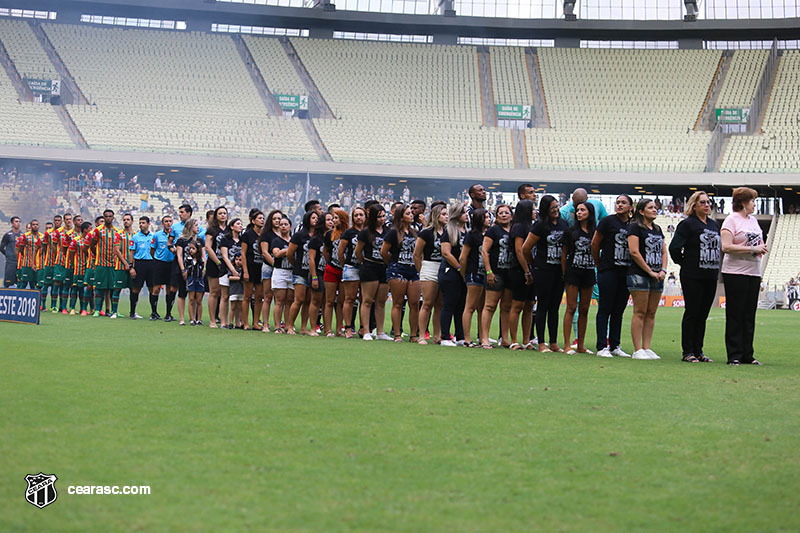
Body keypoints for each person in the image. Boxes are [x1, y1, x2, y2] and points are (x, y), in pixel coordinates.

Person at [669, 191, 721, 363]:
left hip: (710, 274)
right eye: (702, 202)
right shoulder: (687, 224)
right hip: (692, 275)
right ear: (694, 205)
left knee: (703, 314)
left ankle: (699, 350)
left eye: (708, 202)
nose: (707, 205)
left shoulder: (713, 224)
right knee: (692, 312)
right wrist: (684, 262)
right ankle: (688, 351)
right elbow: (674, 248)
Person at [720, 187, 767, 366]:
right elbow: (726, 246)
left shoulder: (753, 221)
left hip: (753, 271)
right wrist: (752, 249)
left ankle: (748, 354)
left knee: (749, 314)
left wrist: (760, 248)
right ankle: (734, 354)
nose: (754, 204)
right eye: (752, 201)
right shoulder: (731, 220)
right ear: (743, 202)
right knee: (735, 314)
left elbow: (758, 242)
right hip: (735, 272)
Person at [523, 196, 569, 352]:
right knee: (543, 305)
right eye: (552, 208)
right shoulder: (540, 225)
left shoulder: (564, 224)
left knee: (555, 307)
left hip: (559, 271)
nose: (556, 210)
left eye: (557, 206)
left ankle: (553, 342)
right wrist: (534, 264)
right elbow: (526, 248)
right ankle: (541, 342)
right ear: (545, 210)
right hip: (543, 270)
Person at [591, 194, 634, 358]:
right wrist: (598, 263)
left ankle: (615, 345)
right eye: (617, 202)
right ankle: (602, 346)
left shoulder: (633, 224)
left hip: (626, 271)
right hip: (608, 269)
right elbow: (595, 243)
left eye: (623, 203)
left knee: (619, 310)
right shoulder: (607, 221)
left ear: (631, 207)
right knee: (605, 308)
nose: (619, 205)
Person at [627, 198, 667, 360]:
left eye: (655, 207)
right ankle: (637, 349)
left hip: (657, 275)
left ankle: (647, 347)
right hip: (639, 274)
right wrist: (649, 271)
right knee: (640, 311)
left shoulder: (657, 229)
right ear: (641, 211)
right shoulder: (635, 227)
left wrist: (663, 269)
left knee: (651, 312)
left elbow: (664, 251)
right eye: (650, 207)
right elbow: (634, 251)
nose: (655, 210)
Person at [381, 203, 421, 343]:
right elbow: (384, 251)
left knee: (414, 303)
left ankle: (414, 335)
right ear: (401, 217)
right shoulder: (393, 232)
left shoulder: (414, 232)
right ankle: (397, 334)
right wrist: (393, 264)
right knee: (398, 303)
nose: (411, 215)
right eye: (408, 213)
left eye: (411, 213)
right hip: (398, 270)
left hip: (413, 270)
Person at [561, 202, 596, 354]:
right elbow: (564, 254)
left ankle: (581, 345)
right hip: (573, 272)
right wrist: (565, 273)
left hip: (589, 271)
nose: (579, 213)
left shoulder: (595, 232)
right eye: (578, 210)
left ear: (590, 213)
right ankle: (567, 345)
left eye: (583, 210)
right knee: (571, 307)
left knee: (585, 309)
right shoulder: (571, 232)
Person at [355, 204, 392, 341]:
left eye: (383, 216)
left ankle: (380, 331)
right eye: (379, 217)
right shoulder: (366, 232)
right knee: (367, 300)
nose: (382, 219)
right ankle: (366, 331)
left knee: (381, 301)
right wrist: (364, 263)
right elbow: (358, 251)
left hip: (384, 267)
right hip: (370, 267)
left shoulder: (388, 231)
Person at [481, 205, 515, 349]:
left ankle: (505, 338)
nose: (504, 215)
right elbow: (484, 251)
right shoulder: (493, 231)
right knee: (490, 306)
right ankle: (484, 338)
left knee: (506, 307)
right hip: (496, 273)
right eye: (500, 213)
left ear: (511, 216)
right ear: (496, 216)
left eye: (506, 213)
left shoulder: (514, 230)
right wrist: (489, 271)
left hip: (510, 273)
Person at [414, 203, 446, 345]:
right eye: (443, 214)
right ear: (436, 216)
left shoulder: (448, 232)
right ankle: (422, 335)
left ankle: (437, 335)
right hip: (429, 266)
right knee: (427, 303)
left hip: (443, 267)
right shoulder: (426, 232)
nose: (446, 217)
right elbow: (416, 254)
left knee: (440, 304)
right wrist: (421, 270)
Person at [508, 200, 536, 351]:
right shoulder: (519, 227)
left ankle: (526, 340)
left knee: (529, 305)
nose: (535, 212)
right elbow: (519, 250)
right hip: (519, 270)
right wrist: (526, 270)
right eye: (532, 209)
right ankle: (513, 340)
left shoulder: (531, 226)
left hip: (530, 268)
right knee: (517, 304)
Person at [439, 203, 468, 347]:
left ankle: (460, 336)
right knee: (449, 304)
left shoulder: (467, 231)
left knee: (461, 305)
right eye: (463, 212)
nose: (466, 215)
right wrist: (459, 267)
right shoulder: (449, 230)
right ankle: (445, 336)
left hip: (464, 273)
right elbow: (446, 253)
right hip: (450, 271)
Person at [461, 208, 489, 347]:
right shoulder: (471, 235)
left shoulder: (489, 234)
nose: (489, 219)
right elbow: (463, 257)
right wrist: (464, 274)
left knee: (482, 308)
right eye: (486, 217)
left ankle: (483, 337)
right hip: (474, 272)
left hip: (486, 274)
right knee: (470, 306)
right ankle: (467, 339)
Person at [287, 211, 318, 335]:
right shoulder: (299, 235)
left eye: (317, 218)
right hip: (300, 272)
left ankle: (304, 327)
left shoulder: (318, 236)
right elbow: (290, 253)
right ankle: (290, 326)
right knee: (299, 299)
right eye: (313, 217)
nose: (315, 219)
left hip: (313, 272)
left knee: (308, 301)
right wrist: (295, 264)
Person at [88, 210, 122, 318]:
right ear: (104, 217)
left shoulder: (117, 232)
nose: (108, 218)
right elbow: (92, 245)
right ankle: (97, 310)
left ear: (113, 218)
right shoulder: (98, 230)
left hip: (113, 264)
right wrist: (98, 255)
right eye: (106, 216)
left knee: (112, 288)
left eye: (110, 216)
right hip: (100, 264)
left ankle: (112, 311)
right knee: (99, 287)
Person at [338, 206, 365, 339]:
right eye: (356, 215)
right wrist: (345, 265)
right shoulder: (348, 233)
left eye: (361, 215)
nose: (359, 217)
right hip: (351, 267)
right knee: (349, 298)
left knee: (364, 300)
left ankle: (363, 328)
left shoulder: (369, 232)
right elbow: (340, 252)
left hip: (366, 268)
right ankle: (348, 328)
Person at [323, 209, 349, 337]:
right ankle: (327, 330)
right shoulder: (329, 234)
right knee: (329, 301)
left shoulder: (349, 234)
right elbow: (325, 251)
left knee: (341, 301)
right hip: (332, 269)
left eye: (336, 218)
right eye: (333, 218)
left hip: (345, 270)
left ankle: (339, 329)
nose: (333, 220)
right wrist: (331, 262)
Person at [149, 215, 179, 321]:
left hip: (172, 264)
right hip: (159, 264)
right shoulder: (157, 235)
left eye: (170, 221)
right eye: (166, 221)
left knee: (170, 289)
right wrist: (157, 259)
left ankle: (168, 314)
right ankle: (154, 313)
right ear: (162, 223)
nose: (168, 223)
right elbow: (152, 250)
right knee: (156, 288)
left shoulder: (175, 235)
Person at [307, 212, 332, 336]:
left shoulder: (332, 238)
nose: (331, 222)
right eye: (328, 220)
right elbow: (311, 259)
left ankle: (328, 330)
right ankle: (312, 328)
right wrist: (314, 277)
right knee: (316, 301)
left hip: (329, 273)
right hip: (318, 273)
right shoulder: (316, 239)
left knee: (328, 302)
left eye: (332, 220)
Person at [259, 209, 283, 332]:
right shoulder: (266, 234)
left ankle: (279, 324)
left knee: (280, 298)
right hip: (269, 267)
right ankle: (265, 324)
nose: (277, 221)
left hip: (282, 269)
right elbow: (264, 252)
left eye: (279, 218)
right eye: (275, 218)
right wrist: (275, 264)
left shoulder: (285, 234)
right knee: (267, 296)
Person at [204, 207, 228, 328]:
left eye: (224, 213)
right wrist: (218, 262)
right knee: (214, 292)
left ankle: (224, 320)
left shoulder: (229, 229)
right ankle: (212, 320)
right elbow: (208, 247)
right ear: (216, 216)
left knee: (225, 294)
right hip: (214, 263)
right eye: (220, 213)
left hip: (227, 263)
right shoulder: (212, 230)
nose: (223, 215)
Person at [241, 210, 265, 330]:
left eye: (263, 218)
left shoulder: (264, 235)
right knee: (247, 296)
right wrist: (245, 271)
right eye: (259, 218)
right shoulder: (247, 234)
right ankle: (245, 323)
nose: (262, 220)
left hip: (261, 268)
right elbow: (243, 253)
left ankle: (256, 322)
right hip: (250, 267)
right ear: (253, 221)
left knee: (259, 297)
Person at [269, 217, 293, 333]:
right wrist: (289, 250)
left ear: (290, 227)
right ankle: (277, 326)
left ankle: (288, 326)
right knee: (279, 301)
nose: (283, 226)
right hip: (280, 271)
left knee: (289, 301)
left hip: (292, 272)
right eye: (281, 224)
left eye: (285, 224)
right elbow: (277, 254)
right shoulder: (276, 241)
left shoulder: (293, 240)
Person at [175, 219, 201, 326]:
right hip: (185, 269)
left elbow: (202, 255)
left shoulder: (199, 240)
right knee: (182, 293)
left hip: (196, 271)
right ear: (190, 227)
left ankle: (193, 318)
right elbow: (179, 255)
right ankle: (181, 318)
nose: (198, 227)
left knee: (194, 295)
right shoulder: (181, 240)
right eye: (196, 225)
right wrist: (183, 269)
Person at [219, 218, 244, 329]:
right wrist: (233, 271)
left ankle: (237, 322)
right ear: (232, 226)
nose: (240, 225)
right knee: (225, 297)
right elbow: (225, 256)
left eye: (241, 224)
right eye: (238, 224)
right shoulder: (225, 239)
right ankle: (223, 322)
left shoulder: (242, 240)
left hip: (240, 271)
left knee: (238, 299)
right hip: (226, 271)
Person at [130, 216, 154, 319]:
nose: (141, 225)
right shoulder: (135, 237)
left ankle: (154, 312)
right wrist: (131, 267)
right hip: (140, 264)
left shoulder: (153, 236)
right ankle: (132, 312)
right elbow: (131, 252)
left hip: (151, 263)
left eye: (143, 223)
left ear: (148, 224)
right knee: (136, 288)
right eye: (140, 223)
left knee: (152, 288)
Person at [111, 213, 135, 318]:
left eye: (128, 219)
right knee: (117, 289)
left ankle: (133, 312)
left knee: (133, 289)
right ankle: (114, 312)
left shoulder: (135, 235)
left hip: (133, 267)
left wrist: (132, 265)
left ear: (132, 221)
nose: (126, 221)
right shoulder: (118, 234)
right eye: (124, 219)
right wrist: (126, 263)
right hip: (120, 266)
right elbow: (117, 250)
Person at [184, 238, 205, 326]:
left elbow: (203, 270)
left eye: (193, 248)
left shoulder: (201, 260)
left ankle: (199, 319)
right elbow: (186, 270)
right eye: (190, 248)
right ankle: (192, 319)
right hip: (191, 279)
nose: (191, 250)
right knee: (191, 299)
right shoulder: (188, 259)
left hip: (199, 279)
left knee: (199, 300)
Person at [1, 216, 21, 287]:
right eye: (16, 221)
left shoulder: (22, 235)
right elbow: (1, 247)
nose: (18, 223)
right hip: (10, 262)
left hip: (20, 262)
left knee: (20, 283)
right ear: (12, 223)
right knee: (8, 283)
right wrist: (8, 255)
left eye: (19, 222)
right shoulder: (8, 235)